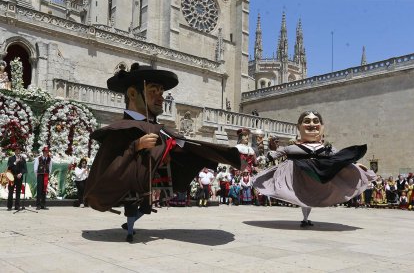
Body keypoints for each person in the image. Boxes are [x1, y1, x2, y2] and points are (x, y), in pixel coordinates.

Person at [84, 62, 241, 242]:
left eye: (161, 92)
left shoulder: (159, 129)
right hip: (130, 184)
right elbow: (109, 163)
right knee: (135, 203)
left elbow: (181, 145)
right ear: (133, 94)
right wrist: (136, 145)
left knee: (145, 204)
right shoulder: (120, 130)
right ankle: (130, 227)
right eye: (153, 91)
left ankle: (131, 223)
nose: (160, 97)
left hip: (149, 184)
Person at [253, 111, 376, 227]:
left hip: (319, 174)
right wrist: (263, 159)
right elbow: (275, 154)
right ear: (299, 126)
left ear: (322, 126)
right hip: (298, 175)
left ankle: (306, 218)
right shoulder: (292, 147)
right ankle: (305, 218)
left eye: (315, 121)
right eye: (307, 121)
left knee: (309, 198)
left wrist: (355, 165)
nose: (311, 124)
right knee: (303, 198)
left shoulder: (327, 148)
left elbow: (340, 158)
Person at [6, 145, 27, 211]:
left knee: (18, 192)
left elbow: (25, 169)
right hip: (12, 177)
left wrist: (21, 174)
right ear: (14, 151)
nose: (18, 152)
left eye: (19, 151)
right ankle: (9, 206)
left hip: (19, 177)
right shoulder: (11, 158)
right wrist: (15, 162)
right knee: (11, 192)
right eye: (16, 150)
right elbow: (9, 167)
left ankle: (17, 206)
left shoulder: (22, 159)